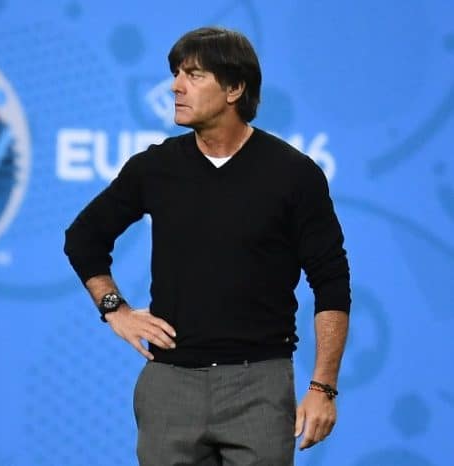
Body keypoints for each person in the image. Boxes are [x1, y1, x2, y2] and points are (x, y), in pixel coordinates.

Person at [64, 26, 350, 466]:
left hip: (260, 387)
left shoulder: (294, 175)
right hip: (169, 388)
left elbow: (331, 283)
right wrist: (114, 309)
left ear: (235, 88)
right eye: (177, 73)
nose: (176, 86)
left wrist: (322, 388)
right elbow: (84, 238)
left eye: (194, 75)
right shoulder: (154, 168)